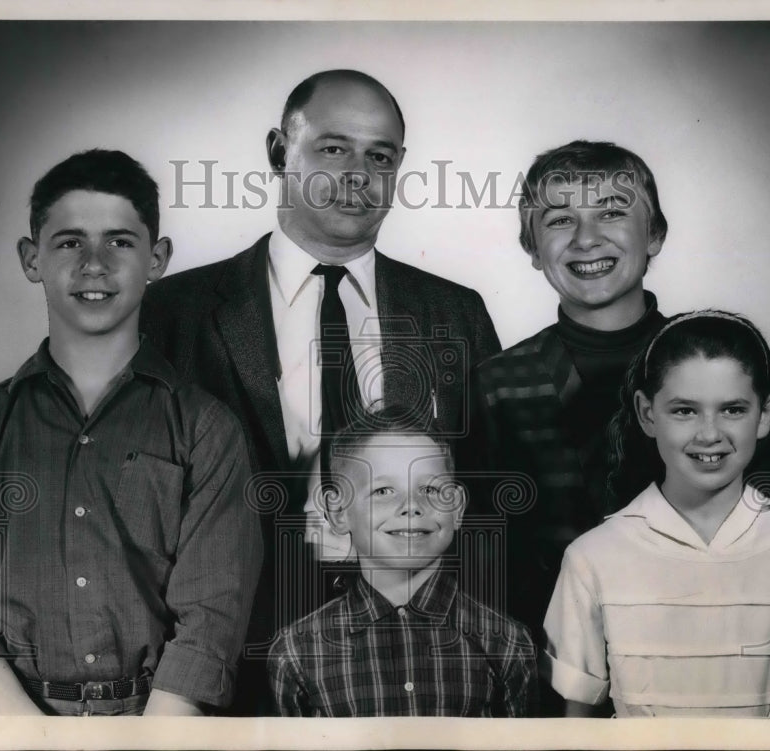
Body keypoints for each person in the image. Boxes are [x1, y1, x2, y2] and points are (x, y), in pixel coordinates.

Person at [141, 69, 500, 712]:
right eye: (333, 148)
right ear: (280, 151)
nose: (358, 173)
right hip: (220, 658)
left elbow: (485, 492)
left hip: (417, 662)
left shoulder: (454, 312)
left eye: (379, 155)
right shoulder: (173, 311)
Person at [0, 149, 263, 716]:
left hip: (159, 724)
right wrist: (35, 735)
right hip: (11, 726)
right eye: (70, 241)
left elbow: (211, 620)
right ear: (32, 259)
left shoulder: (206, 429)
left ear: (158, 258)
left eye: (120, 242)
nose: (95, 264)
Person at [542, 311, 770, 717]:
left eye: (732, 410)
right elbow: (577, 721)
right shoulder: (591, 558)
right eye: (684, 411)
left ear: (765, 414)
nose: (709, 434)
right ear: (647, 413)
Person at [472, 140, 670, 659]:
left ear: (654, 235)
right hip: (547, 655)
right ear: (533, 249)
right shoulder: (496, 381)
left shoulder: (715, 363)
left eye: (612, 213)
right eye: (560, 220)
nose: (587, 238)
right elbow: (484, 546)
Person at [267, 407, 537, 716]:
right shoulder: (295, 653)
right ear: (338, 511)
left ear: (458, 507)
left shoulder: (507, 644)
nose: (411, 506)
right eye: (383, 490)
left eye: (430, 489)